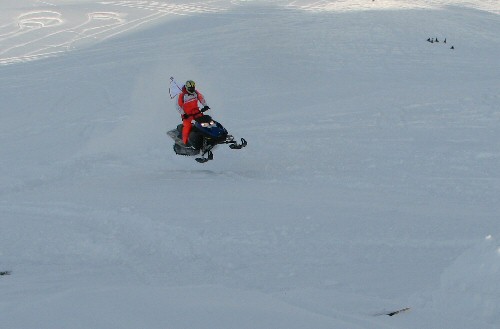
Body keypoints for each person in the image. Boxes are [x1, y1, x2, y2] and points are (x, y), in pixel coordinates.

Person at [176, 80, 210, 146]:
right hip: (187, 115)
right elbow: (178, 106)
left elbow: (201, 98)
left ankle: (208, 137)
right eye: (190, 88)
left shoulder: (196, 93)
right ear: (186, 88)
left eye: (193, 88)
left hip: (196, 112)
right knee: (187, 126)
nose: (192, 90)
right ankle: (185, 142)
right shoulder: (181, 95)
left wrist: (205, 105)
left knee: (205, 122)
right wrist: (183, 114)